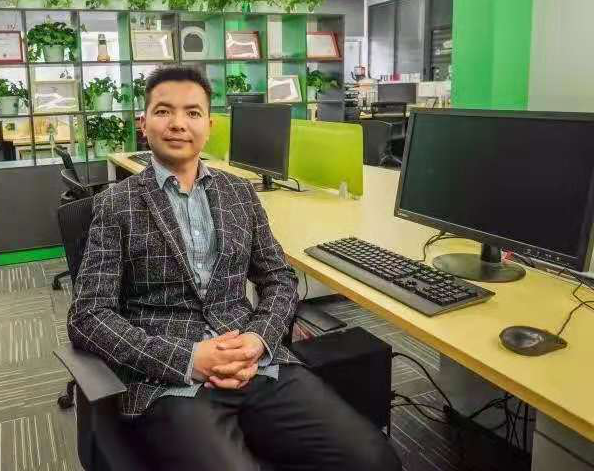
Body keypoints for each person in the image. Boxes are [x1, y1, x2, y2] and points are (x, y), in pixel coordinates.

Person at [68, 66, 401, 471]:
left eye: (193, 112)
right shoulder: (115, 204)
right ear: (144, 123)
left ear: (209, 125)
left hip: (256, 364)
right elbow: (88, 316)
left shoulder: (239, 193)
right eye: (164, 111)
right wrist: (188, 357)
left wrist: (258, 339)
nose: (178, 123)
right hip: (170, 382)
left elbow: (279, 278)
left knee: (374, 458)